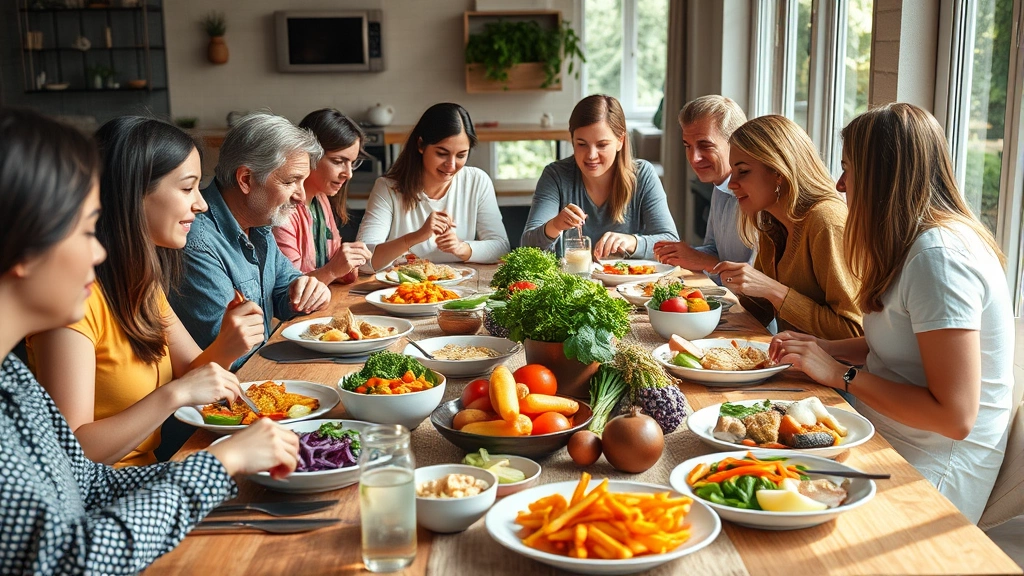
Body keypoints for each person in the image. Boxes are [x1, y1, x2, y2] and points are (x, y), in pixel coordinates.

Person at [0, 107, 299, 573]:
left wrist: (220, 464)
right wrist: (214, 467)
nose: (97, 248)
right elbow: (66, 558)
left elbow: (84, 482)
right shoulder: (67, 321)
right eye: (82, 229)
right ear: (22, 245)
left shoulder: (12, 379)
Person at [769, 103, 1014, 523]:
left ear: (883, 177)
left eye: (848, 168)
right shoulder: (914, 244)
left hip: (931, 471)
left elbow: (955, 418)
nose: (839, 183)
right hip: (882, 434)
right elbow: (905, 342)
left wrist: (838, 373)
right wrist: (825, 348)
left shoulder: (940, 259)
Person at [27, 117, 266, 467]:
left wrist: (227, 345)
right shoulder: (73, 304)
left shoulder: (142, 281)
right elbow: (72, 453)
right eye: (187, 189)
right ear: (133, 194)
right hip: (106, 501)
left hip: (150, 475)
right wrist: (173, 395)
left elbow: (193, 377)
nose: (201, 204)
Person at [169, 112, 332, 369]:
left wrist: (307, 289)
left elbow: (284, 288)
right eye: (291, 182)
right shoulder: (196, 241)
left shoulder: (259, 225)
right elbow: (233, 352)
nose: (301, 197)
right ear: (246, 179)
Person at [711, 115, 862, 340]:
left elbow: (854, 333)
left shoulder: (826, 221)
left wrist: (773, 290)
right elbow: (759, 313)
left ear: (778, 172)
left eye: (743, 171)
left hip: (832, 373)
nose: (732, 183)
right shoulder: (772, 222)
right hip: (792, 363)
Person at [521, 94, 678, 260]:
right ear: (572, 140)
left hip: (630, 284)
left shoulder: (643, 175)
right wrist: (555, 225)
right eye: (582, 144)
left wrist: (632, 242)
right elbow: (527, 247)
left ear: (620, 141)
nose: (591, 155)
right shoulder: (556, 175)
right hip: (572, 283)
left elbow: (670, 242)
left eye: (602, 145)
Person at [356, 103, 510, 270]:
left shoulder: (477, 181)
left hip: (460, 289)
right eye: (442, 153)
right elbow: (363, 260)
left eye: (461, 155)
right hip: (402, 291)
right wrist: (416, 236)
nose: (451, 165)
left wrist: (463, 248)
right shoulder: (387, 188)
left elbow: (501, 248)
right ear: (421, 145)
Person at [653, 95, 754, 273]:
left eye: (705, 145)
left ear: (736, 143)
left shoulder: (759, 196)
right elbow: (713, 250)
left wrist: (700, 260)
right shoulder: (720, 185)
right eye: (688, 146)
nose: (694, 158)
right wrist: (680, 253)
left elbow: (756, 277)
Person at [273, 109, 372, 284]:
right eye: (338, 161)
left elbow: (335, 267)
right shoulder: (283, 210)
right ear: (308, 155)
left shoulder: (321, 199)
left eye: (352, 163)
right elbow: (288, 289)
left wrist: (348, 264)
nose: (348, 174)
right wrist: (333, 270)